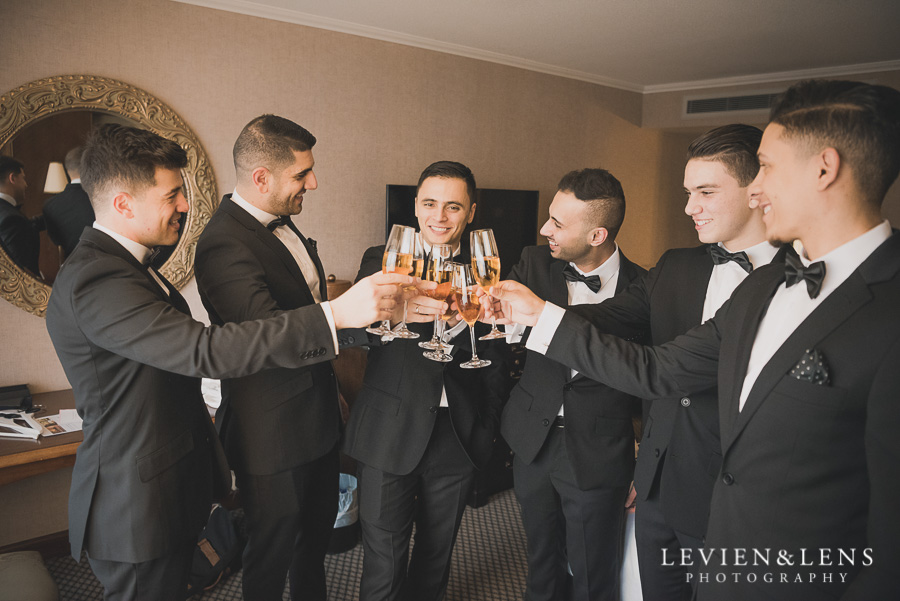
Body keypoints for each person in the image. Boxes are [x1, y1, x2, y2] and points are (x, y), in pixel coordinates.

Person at [486, 79, 900, 601]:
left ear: (824, 168)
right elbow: (659, 370)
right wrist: (535, 313)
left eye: (766, 168)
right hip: (677, 502)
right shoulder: (766, 285)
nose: (757, 188)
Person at [45, 123, 414, 601]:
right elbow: (205, 349)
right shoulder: (96, 279)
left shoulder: (130, 265)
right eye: (173, 194)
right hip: (134, 502)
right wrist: (337, 314)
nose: (185, 205)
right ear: (123, 204)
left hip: (167, 484)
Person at [195, 114, 410, 601]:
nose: (313, 182)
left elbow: (307, 312)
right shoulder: (221, 244)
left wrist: (331, 392)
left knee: (314, 545)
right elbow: (265, 336)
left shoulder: (285, 225)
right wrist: (343, 312)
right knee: (270, 557)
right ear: (261, 178)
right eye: (302, 174)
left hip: (316, 417)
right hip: (270, 433)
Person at [563, 125, 778, 601]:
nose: (689, 208)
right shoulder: (677, 265)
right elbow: (606, 316)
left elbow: (662, 368)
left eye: (705, 191)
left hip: (735, 501)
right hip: (659, 487)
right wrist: (519, 311)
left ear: (757, 188)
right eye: (687, 192)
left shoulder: (793, 281)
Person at [343, 160, 509, 601]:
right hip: (388, 433)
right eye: (431, 204)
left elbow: (494, 353)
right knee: (385, 562)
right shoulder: (383, 259)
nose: (440, 216)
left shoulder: (487, 268)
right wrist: (390, 314)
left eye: (453, 206)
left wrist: (487, 425)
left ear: (471, 212)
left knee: (436, 558)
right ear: (416, 207)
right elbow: (349, 331)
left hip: (457, 434)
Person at [501, 168, 646, 601]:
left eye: (558, 224)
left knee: (593, 573)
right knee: (540, 564)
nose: (545, 229)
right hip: (534, 441)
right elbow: (502, 327)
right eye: (549, 217)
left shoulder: (647, 287)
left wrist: (648, 462)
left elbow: (659, 384)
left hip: (601, 451)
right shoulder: (532, 261)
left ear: (598, 234)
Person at [43, 145, 96, 258]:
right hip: (106, 264)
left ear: (67, 170)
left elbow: (56, 241)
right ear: (90, 167)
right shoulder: (101, 198)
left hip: (70, 265)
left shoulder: (50, 206)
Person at [0, 156, 41, 274]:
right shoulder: (11, 219)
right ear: (12, 178)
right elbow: (18, 270)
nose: (26, 184)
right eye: (23, 178)